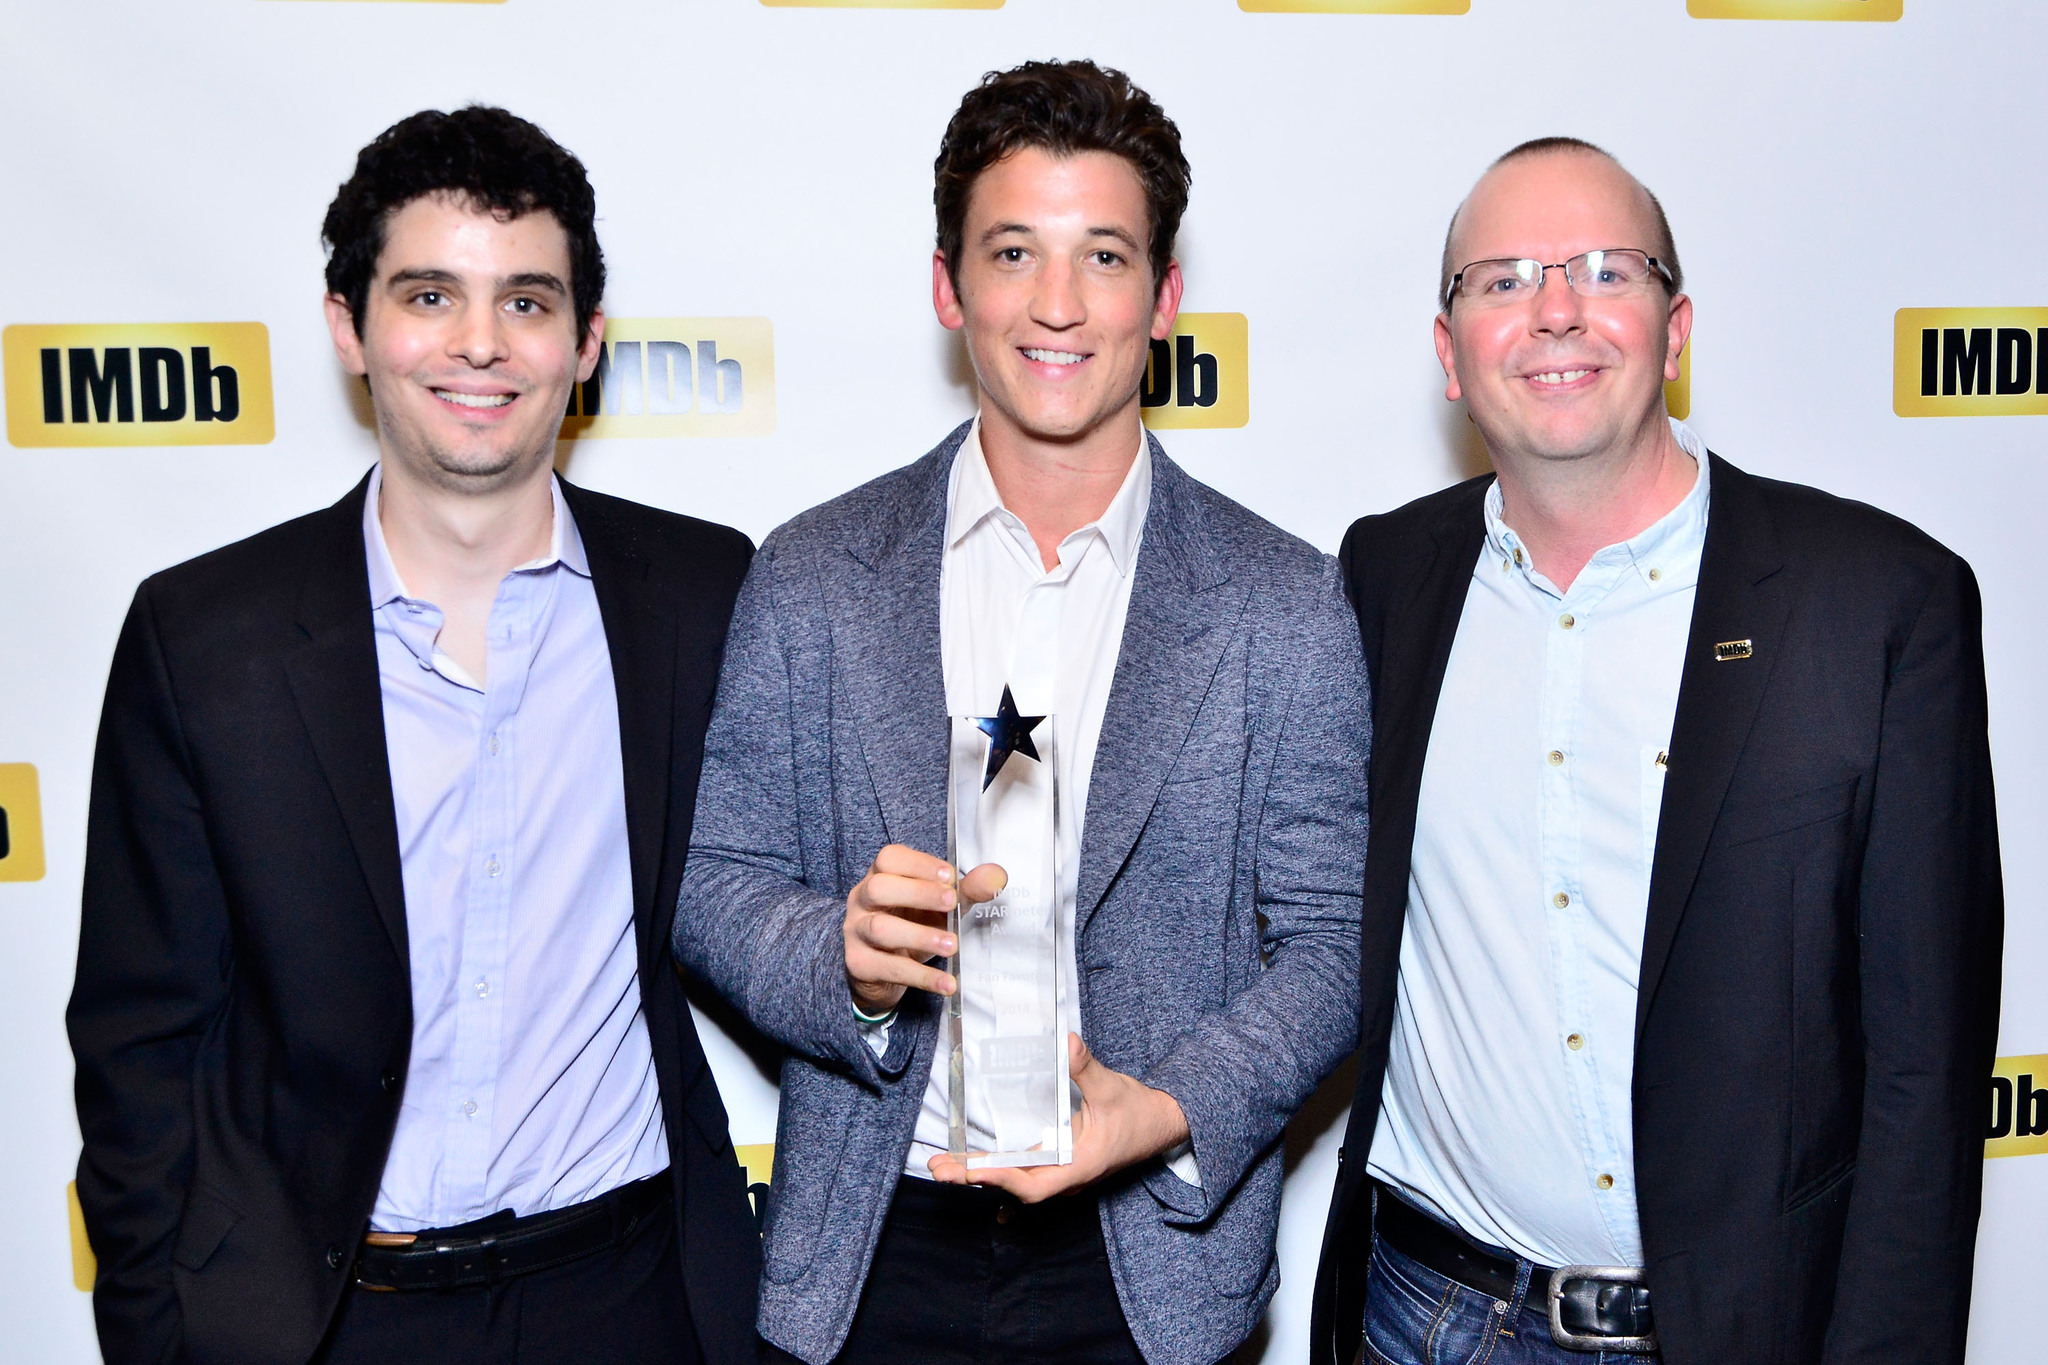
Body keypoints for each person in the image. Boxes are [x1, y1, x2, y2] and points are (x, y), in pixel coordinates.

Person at [674, 59, 1368, 1365]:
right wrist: (847, 962)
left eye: (1103, 256)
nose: (1058, 305)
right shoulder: (816, 575)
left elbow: (1334, 948)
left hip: (1155, 1267)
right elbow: (715, 880)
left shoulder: (1287, 606)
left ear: (1164, 298)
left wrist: (1165, 1106)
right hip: (870, 1257)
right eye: (1013, 253)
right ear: (949, 287)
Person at [67, 106, 760, 1365]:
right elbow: (138, 1043)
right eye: (430, 294)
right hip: (324, 1318)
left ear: (586, 341)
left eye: (529, 302)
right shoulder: (203, 638)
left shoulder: (706, 597)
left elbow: (775, 922)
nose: (480, 344)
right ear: (349, 325)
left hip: (635, 1299)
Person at [1310, 137, 2004, 1365]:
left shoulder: (1876, 606)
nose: (1557, 312)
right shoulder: (1380, 578)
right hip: (1412, 1319)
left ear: (1674, 328)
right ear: (1448, 351)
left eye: (1604, 272)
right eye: (1504, 278)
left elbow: (1923, 1084)